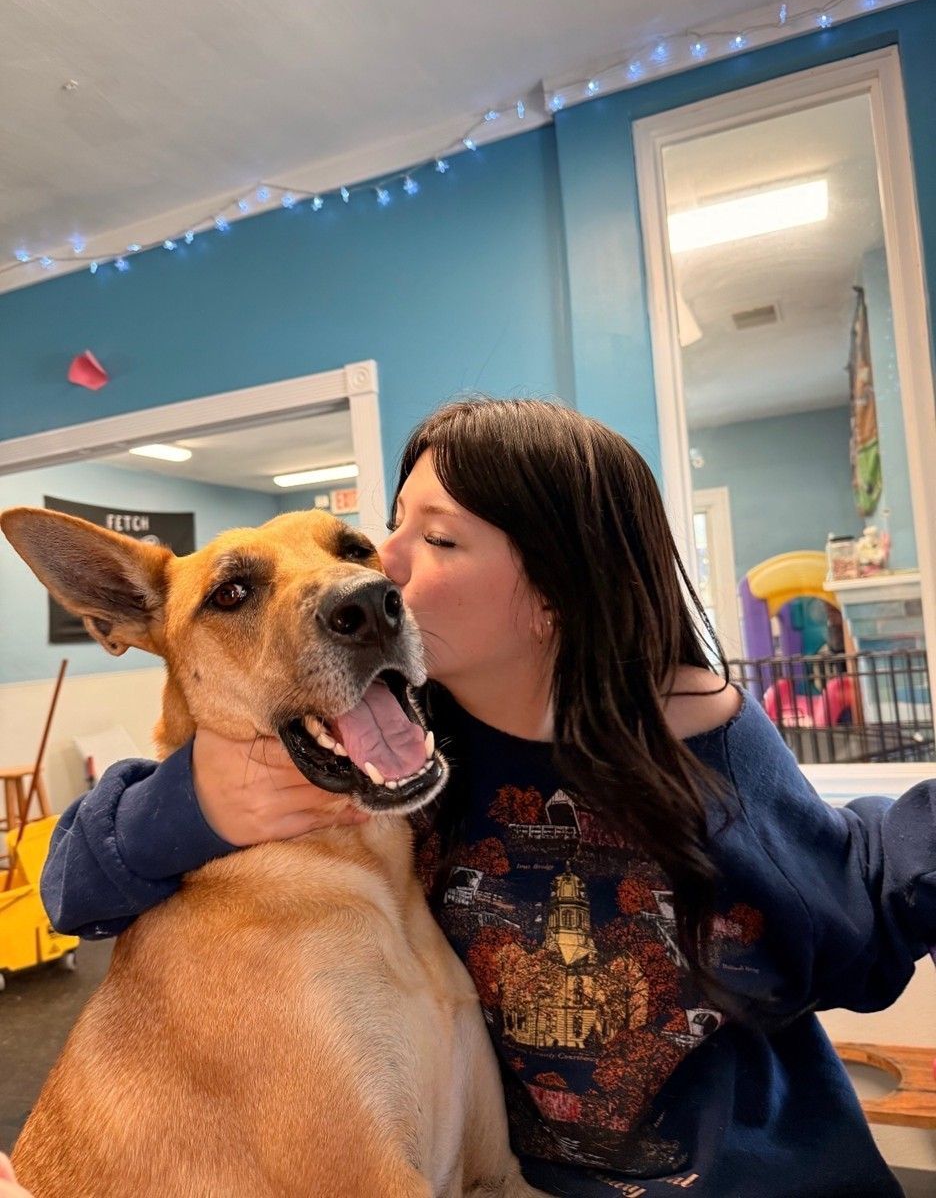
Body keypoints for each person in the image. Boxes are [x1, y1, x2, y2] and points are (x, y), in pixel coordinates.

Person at [36, 398, 936, 1196]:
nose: (375, 571)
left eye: (433, 539)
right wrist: (193, 800)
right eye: (386, 528)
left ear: (554, 592)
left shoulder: (689, 747)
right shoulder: (391, 746)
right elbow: (71, 883)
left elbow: (855, 901)